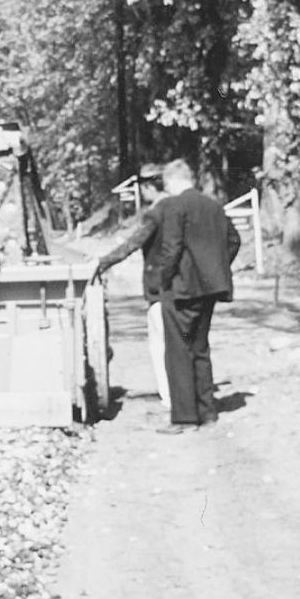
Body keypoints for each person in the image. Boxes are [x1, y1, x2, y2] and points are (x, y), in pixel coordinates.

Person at [148, 158, 241, 430]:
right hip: (210, 289)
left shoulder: (176, 205)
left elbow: (172, 248)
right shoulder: (214, 206)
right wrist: (216, 269)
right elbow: (234, 240)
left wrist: (163, 280)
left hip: (181, 290)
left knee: (178, 352)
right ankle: (208, 412)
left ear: (173, 181)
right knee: (200, 348)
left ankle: (184, 417)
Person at [91, 164, 171, 409]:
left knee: (160, 344)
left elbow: (133, 243)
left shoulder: (156, 213)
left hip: (161, 288)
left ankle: (169, 396)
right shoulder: (182, 207)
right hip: (187, 287)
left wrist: (102, 263)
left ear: (148, 187)